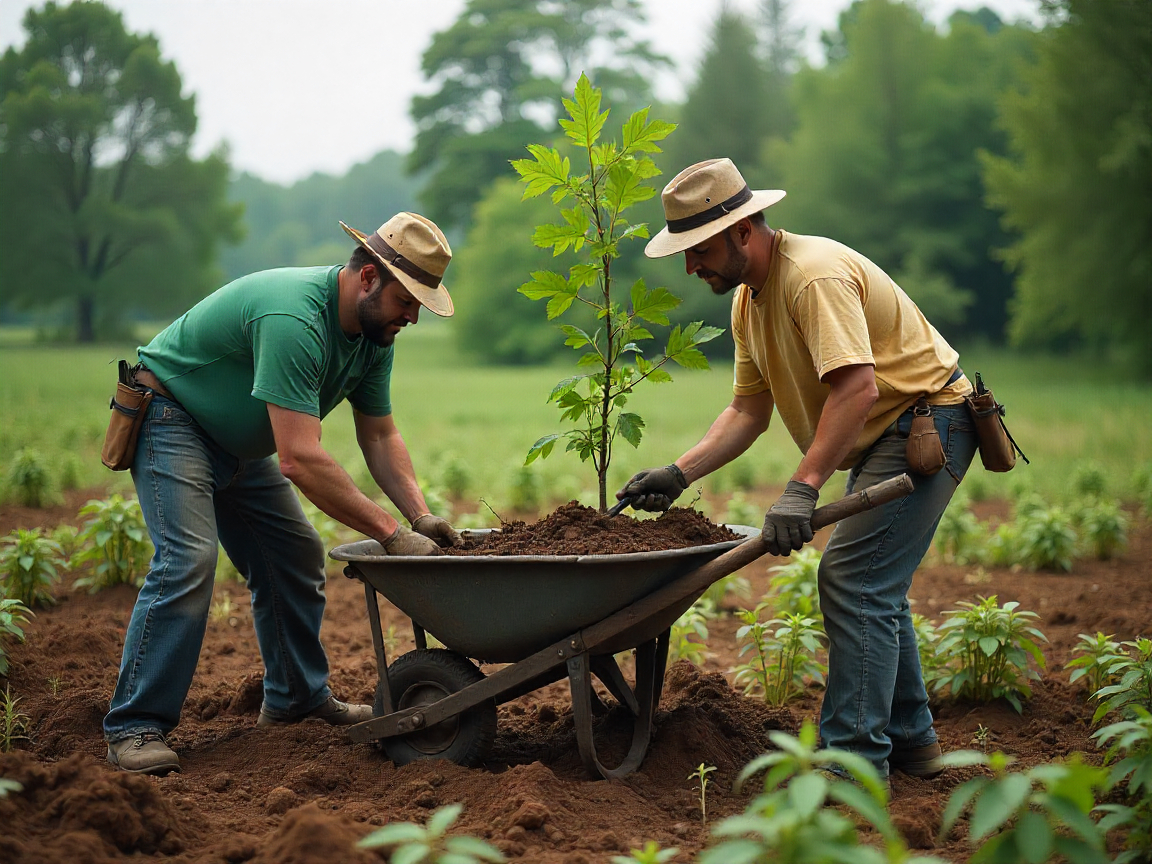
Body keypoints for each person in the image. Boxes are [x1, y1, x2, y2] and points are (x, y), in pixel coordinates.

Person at [618, 159, 977, 780]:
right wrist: (678, 473)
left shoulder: (811, 278)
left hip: (926, 423)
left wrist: (801, 489)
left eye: (698, 248)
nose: (689, 265)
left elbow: (857, 389)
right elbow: (747, 413)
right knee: (872, 583)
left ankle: (852, 763)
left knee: (856, 578)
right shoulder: (748, 304)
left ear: (745, 229)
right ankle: (912, 741)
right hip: (885, 432)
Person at [105, 212, 462, 775]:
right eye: (407, 300)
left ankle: (297, 697)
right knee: (188, 562)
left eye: (421, 302)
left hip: (242, 444)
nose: (412, 316)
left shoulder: (373, 338)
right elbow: (298, 458)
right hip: (173, 418)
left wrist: (418, 516)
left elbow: (379, 432)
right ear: (368, 278)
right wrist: (390, 534)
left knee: (293, 555)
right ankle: (134, 726)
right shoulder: (294, 316)